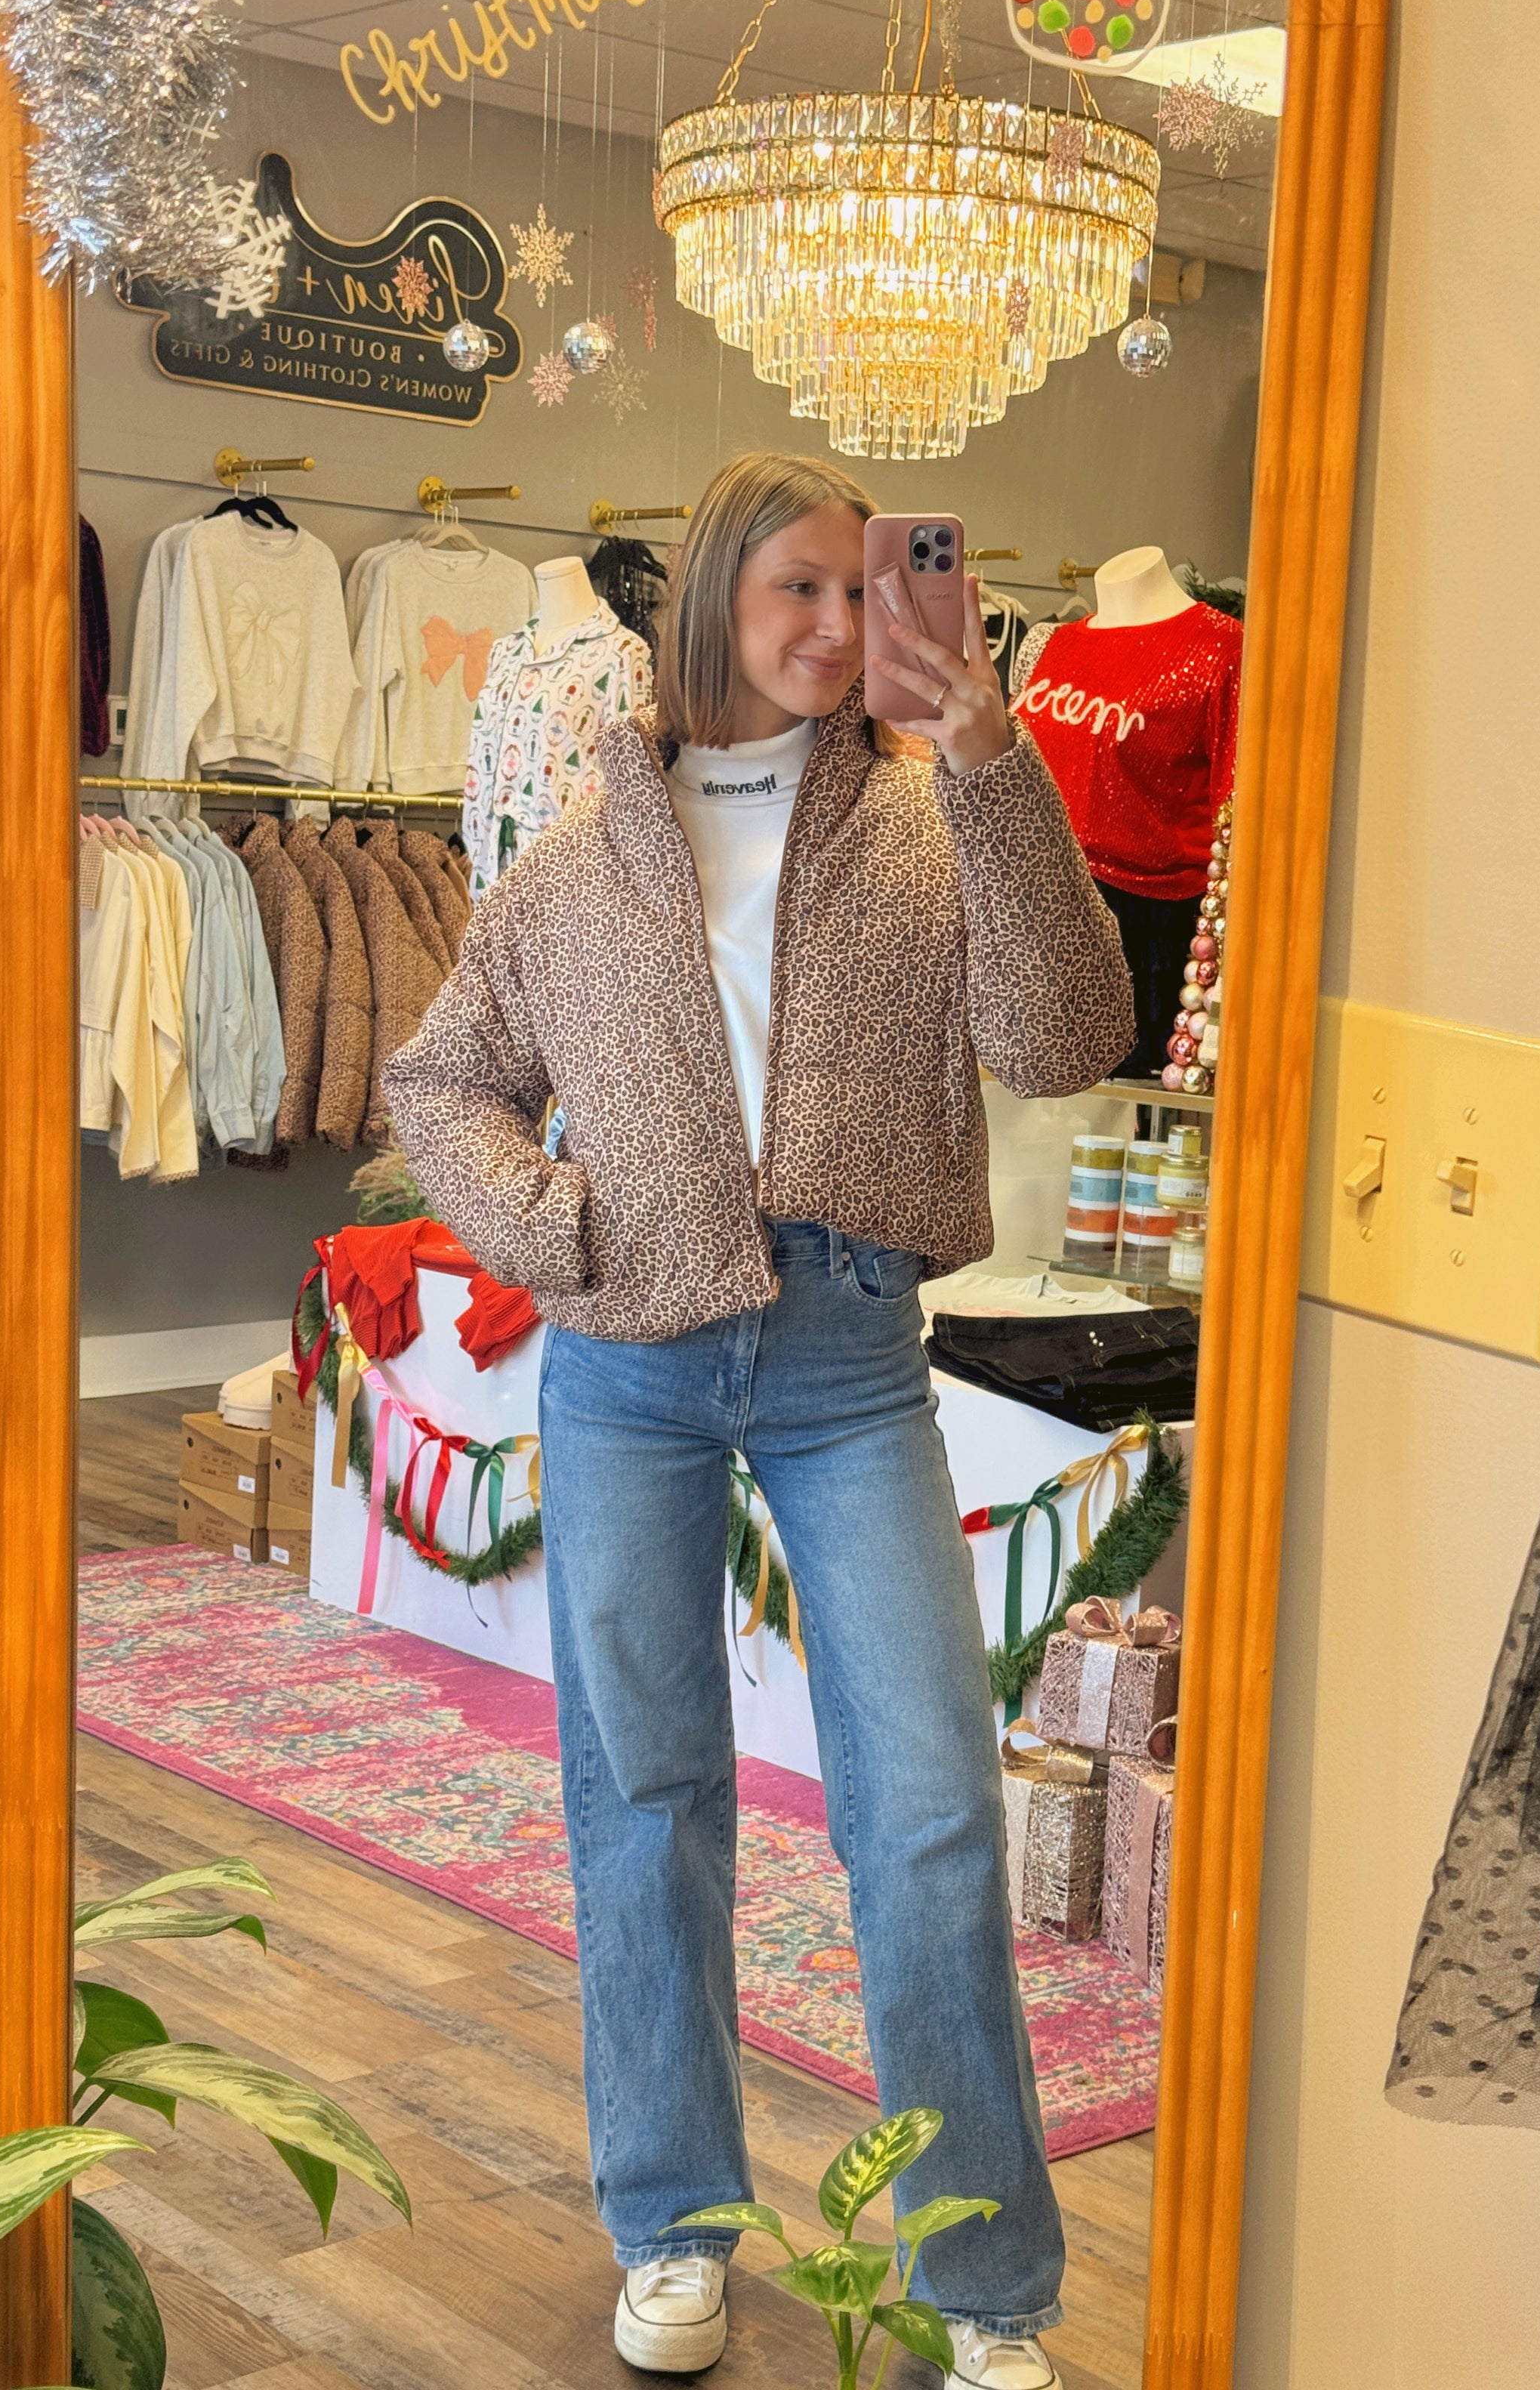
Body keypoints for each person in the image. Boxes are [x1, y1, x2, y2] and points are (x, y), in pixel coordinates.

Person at [384, 452, 1133, 2387]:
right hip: (627, 1362)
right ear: (715, 594)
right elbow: (440, 1079)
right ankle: (671, 2223)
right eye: (798, 586)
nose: (836, 623)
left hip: (850, 1352)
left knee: (935, 1810)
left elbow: (1067, 1038)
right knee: (644, 1797)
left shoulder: (934, 821)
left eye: (864, 586)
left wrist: (994, 760)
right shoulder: (578, 862)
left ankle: (982, 2282)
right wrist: (551, 1226)